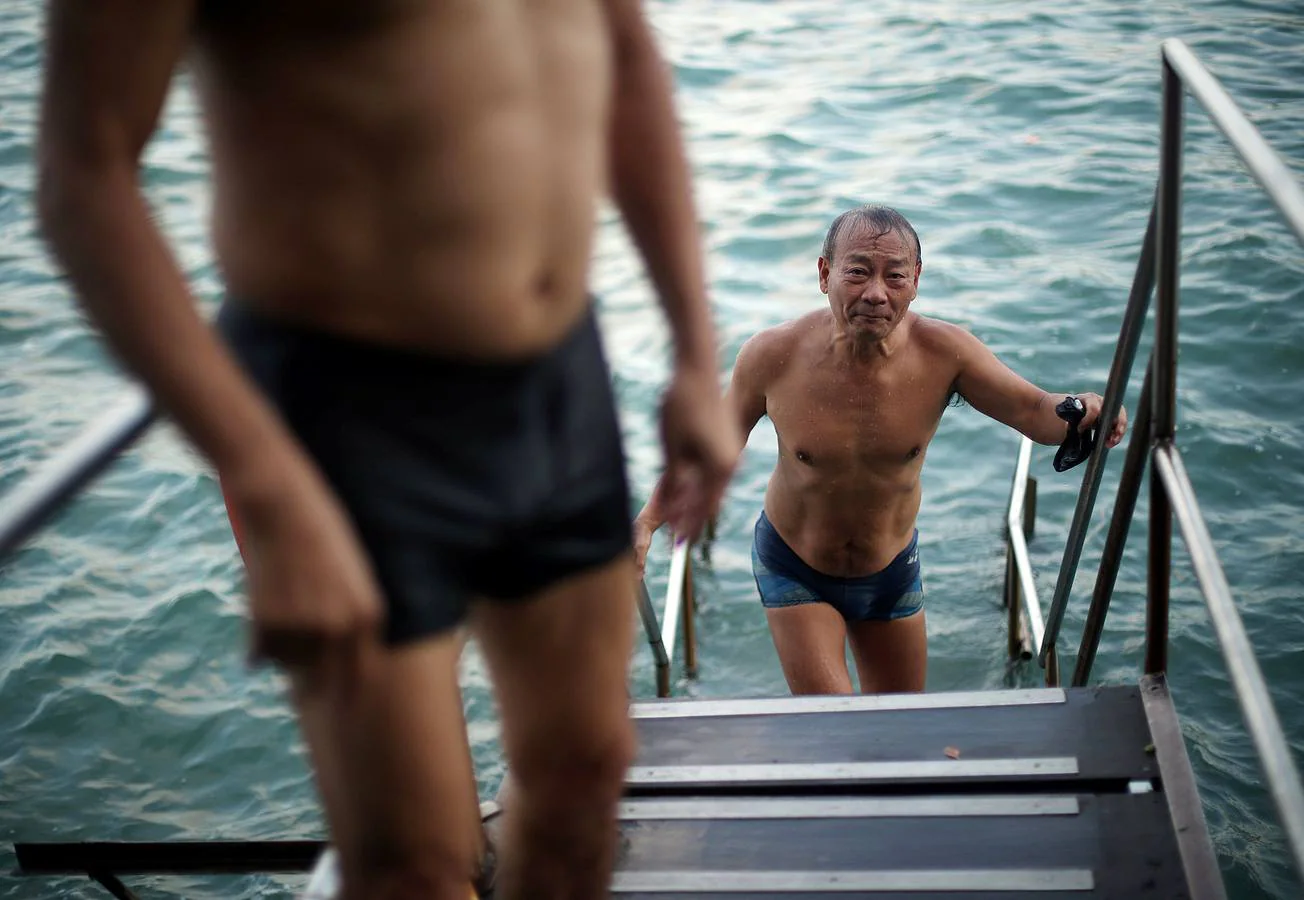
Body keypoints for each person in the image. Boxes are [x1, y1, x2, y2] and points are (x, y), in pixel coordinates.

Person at [36, 2, 738, 899]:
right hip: (344, 419)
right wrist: (270, 484)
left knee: (583, 778)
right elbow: (83, 172)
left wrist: (693, 350)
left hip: (558, 378)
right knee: (411, 867)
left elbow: (624, 55)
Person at [634, 205, 1126, 697]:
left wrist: (1085, 407)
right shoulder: (772, 356)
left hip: (890, 569)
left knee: (898, 732)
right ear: (825, 274)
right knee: (839, 729)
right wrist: (647, 523)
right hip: (794, 563)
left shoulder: (945, 353)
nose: (876, 293)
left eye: (895, 276)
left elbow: (1035, 410)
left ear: (916, 280)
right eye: (857, 272)